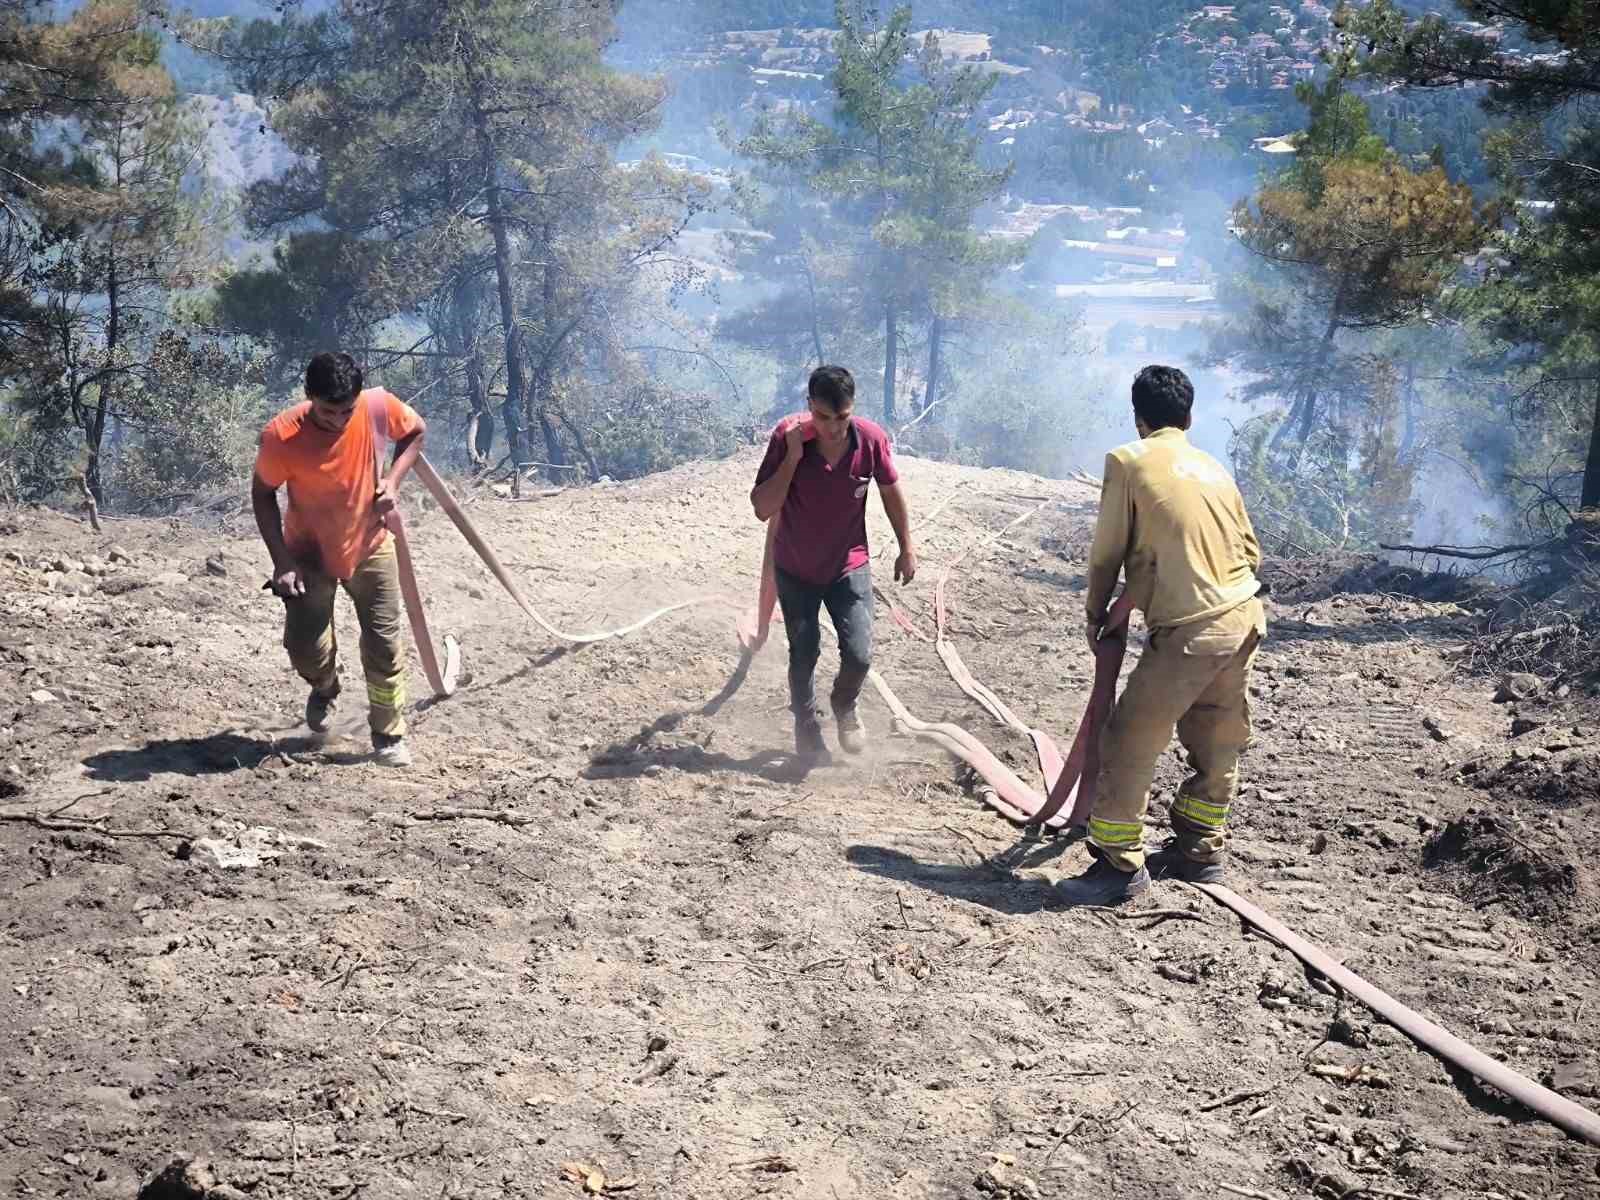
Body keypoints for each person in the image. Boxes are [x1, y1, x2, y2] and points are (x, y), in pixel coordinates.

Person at [1057, 365, 1266, 906]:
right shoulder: (1214, 468)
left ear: (1138, 417)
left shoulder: (1127, 461)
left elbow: (1109, 551)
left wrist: (1097, 611)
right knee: (1216, 737)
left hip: (1193, 629)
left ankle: (1118, 867)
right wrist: (1140, 597)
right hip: (1243, 616)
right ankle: (1200, 852)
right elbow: (1248, 552)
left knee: (1128, 738)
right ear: (1189, 416)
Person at [251, 352, 426, 768]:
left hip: (370, 544)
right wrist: (282, 561)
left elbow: (416, 433)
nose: (341, 420)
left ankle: (388, 734)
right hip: (308, 554)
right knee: (304, 650)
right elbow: (262, 494)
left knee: (383, 647)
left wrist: (392, 481)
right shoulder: (281, 436)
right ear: (309, 397)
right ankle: (325, 687)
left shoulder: (378, 407)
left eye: (348, 410)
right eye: (329, 412)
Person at [750, 365, 917, 760]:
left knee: (860, 654)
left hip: (848, 565)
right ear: (810, 407)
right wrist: (791, 457)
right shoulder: (786, 437)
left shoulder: (871, 439)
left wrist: (906, 546)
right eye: (824, 418)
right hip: (795, 566)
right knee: (804, 651)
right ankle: (806, 724)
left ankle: (845, 705)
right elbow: (762, 508)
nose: (835, 428)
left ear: (852, 410)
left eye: (842, 418)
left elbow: (891, 491)